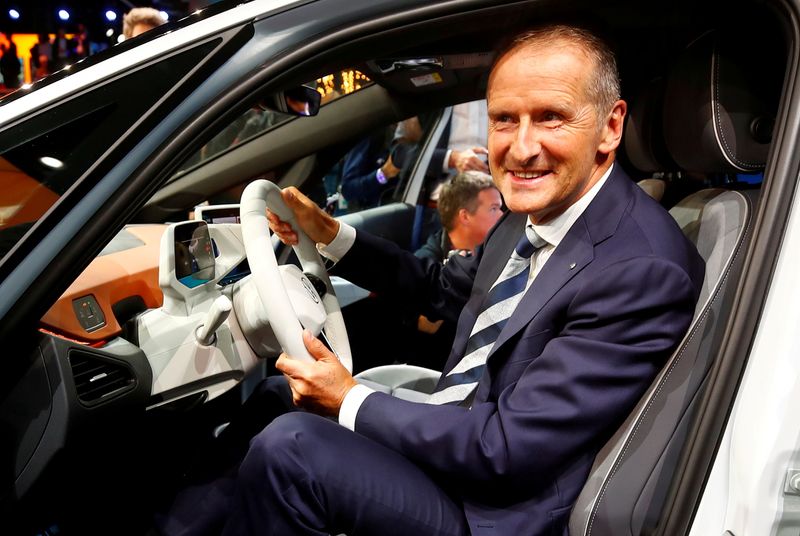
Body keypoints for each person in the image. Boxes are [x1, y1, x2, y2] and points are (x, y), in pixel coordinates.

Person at [162, 24, 705, 536]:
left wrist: (349, 398)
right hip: (459, 430)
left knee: (292, 448)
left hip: (491, 506)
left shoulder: (641, 268)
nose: (520, 147)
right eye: (504, 119)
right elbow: (439, 288)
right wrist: (330, 235)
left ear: (610, 126)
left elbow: (506, 449)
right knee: (281, 396)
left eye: (551, 118)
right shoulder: (529, 213)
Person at [415, 170, 503, 264]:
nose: (501, 215)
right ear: (465, 216)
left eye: (499, 208)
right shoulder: (424, 268)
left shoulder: (506, 249)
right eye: (493, 209)